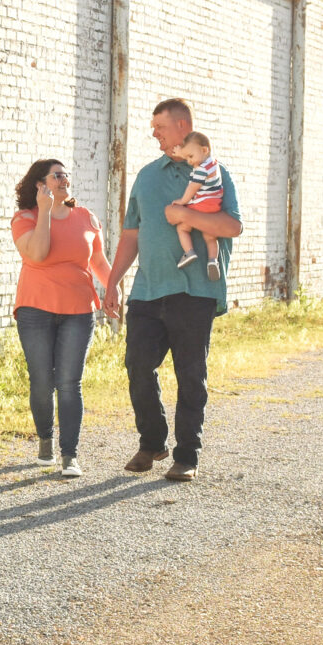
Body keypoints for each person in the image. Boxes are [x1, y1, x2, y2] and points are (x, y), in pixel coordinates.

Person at [103, 99, 242, 481]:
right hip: (148, 290)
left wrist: (186, 216)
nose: (154, 134)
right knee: (137, 366)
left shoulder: (214, 172)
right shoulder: (146, 176)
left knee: (190, 374)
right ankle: (152, 442)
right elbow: (131, 234)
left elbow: (232, 226)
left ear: (183, 126)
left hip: (195, 290)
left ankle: (187, 456)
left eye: (160, 127)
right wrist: (113, 281)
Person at [11, 159, 112, 477]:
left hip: (79, 311)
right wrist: (44, 212)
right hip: (35, 310)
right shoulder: (24, 219)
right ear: (40, 184)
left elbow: (97, 260)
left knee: (69, 383)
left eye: (66, 174)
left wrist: (114, 288)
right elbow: (38, 253)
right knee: (42, 382)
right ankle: (45, 443)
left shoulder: (86, 218)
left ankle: (70, 455)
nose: (64, 179)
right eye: (56, 175)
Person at [171, 131, 223, 282]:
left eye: (190, 157)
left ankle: (189, 252)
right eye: (186, 158)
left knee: (182, 228)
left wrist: (182, 201)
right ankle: (213, 261)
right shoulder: (213, 164)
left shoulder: (201, 169)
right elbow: (193, 152)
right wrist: (184, 153)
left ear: (204, 150)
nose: (189, 161)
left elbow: (193, 188)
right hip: (214, 207)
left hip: (201, 206)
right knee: (210, 237)